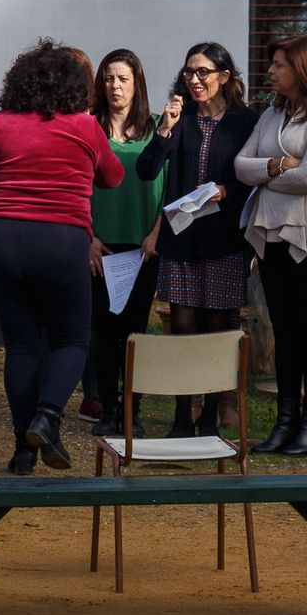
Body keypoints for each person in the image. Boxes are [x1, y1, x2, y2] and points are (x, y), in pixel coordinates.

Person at [0, 39, 122, 474]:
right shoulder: (83, 126)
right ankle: (49, 416)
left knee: (21, 346)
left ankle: (24, 450)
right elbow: (113, 178)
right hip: (61, 238)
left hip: (0, 235)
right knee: (72, 339)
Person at [135, 41, 258, 438]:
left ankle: (209, 419)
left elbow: (252, 180)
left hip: (224, 239)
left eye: (203, 72)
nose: (194, 79)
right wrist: (165, 129)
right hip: (182, 239)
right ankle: (180, 417)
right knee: (183, 329)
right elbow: (146, 169)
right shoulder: (179, 116)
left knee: (217, 332)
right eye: (189, 71)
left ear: (224, 77)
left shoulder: (245, 121)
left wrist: (228, 192)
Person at [85, 50, 164, 438]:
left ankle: (133, 409)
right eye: (109, 78)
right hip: (102, 245)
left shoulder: (155, 130)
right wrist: (89, 238)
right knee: (104, 328)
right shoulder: (89, 128)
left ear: (137, 84)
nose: (115, 86)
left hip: (142, 245)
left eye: (123, 79)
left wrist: (156, 233)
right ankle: (107, 407)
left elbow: (170, 188)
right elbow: (75, 187)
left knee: (135, 329)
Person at [236, 36, 307, 454]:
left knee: (305, 329)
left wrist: (266, 175)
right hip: (271, 235)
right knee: (284, 330)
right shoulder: (270, 115)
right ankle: (285, 420)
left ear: (300, 69)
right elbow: (241, 166)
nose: (271, 72)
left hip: (302, 237)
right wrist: (278, 166)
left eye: (279, 65)